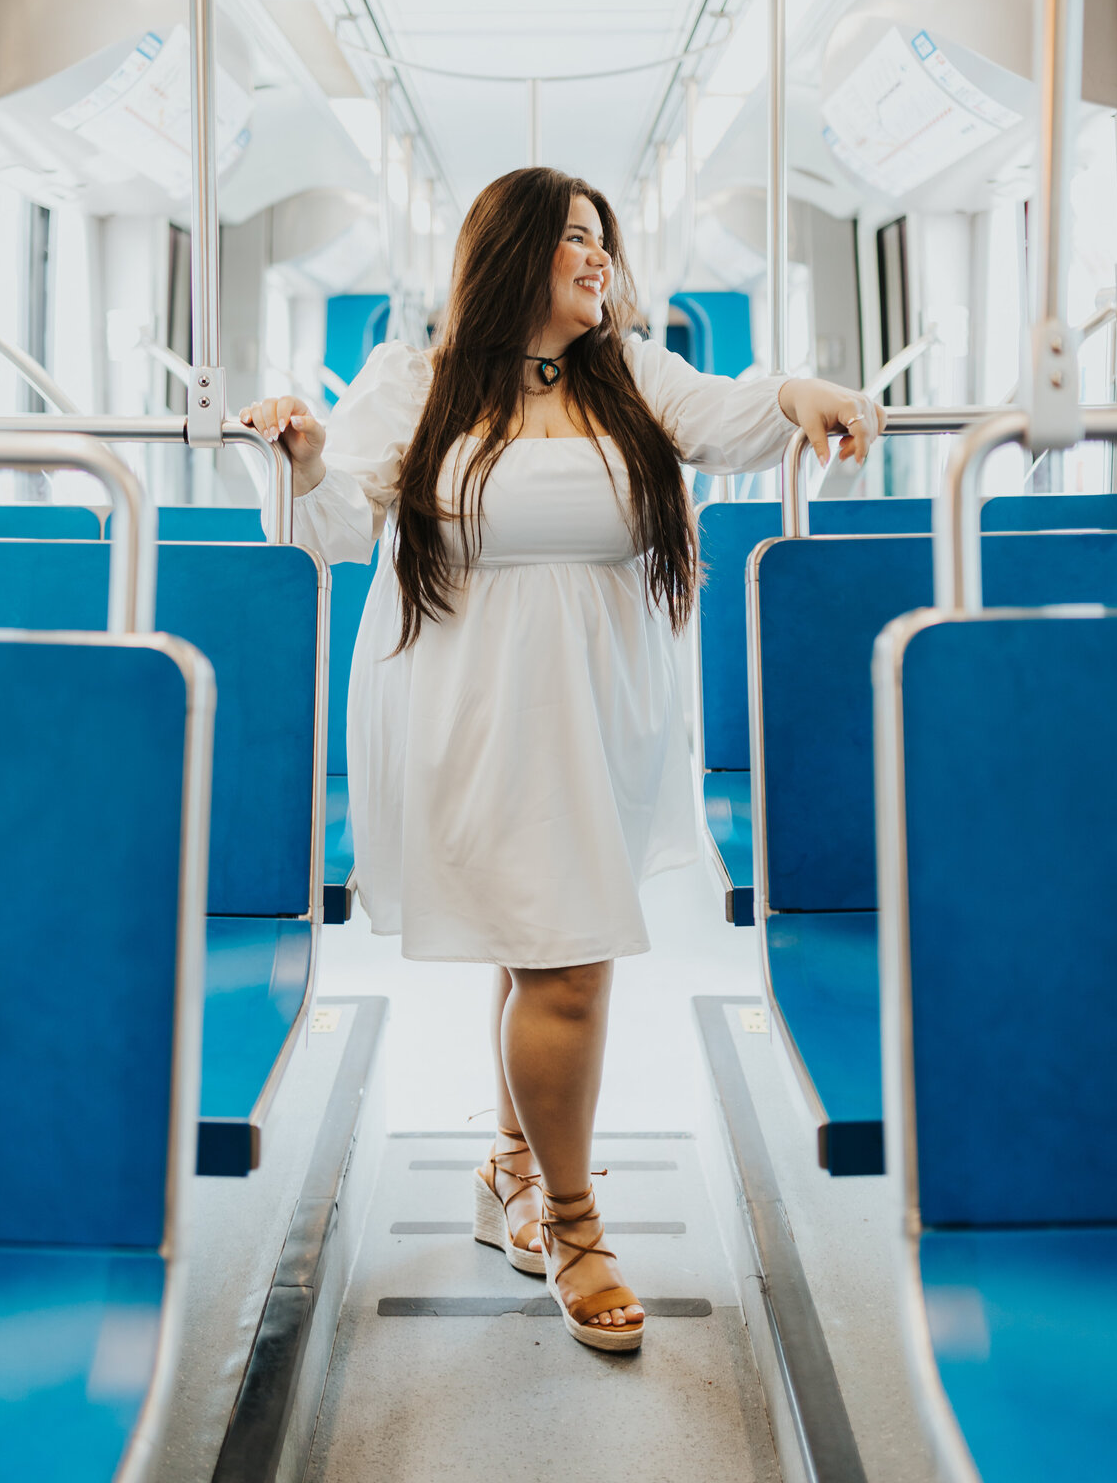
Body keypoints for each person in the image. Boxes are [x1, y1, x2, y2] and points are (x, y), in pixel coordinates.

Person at [240, 166, 882, 1353]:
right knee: (569, 966)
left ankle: (505, 1173)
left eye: (605, 240)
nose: (600, 259)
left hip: (601, 712)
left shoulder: (630, 373)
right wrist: (310, 454)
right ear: (514, 255)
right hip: (466, 715)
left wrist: (804, 391)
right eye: (575, 240)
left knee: (537, 944)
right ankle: (578, 1222)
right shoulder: (416, 382)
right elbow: (331, 530)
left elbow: (736, 418)